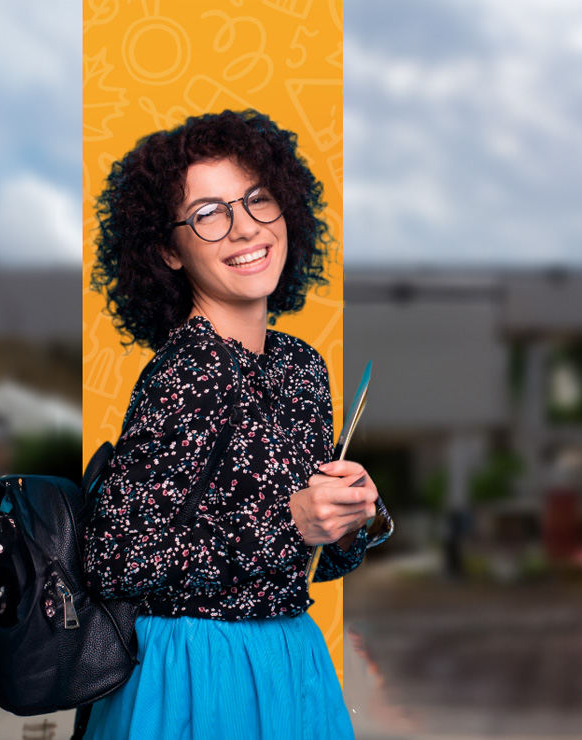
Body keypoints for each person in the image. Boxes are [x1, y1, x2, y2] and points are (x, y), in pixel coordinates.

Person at [82, 109, 393, 739]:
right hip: (197, 675)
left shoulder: (301, 367)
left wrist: (349, 519)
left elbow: (306, 562)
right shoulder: (185, 372)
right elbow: (115, 558)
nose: (244, 227)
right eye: (208, 213)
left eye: (257, 200)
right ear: (168, 249)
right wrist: (288, 519)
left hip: (291, 657)